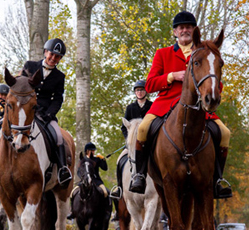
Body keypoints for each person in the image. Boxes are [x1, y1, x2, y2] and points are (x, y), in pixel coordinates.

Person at [129, 11, 232, 199]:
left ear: (194, 31)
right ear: (175, 32)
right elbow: (150, 84)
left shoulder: (204, 52)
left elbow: (216, 81)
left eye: (188, 27)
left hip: (197, 107)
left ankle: (218, 179)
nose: (184, 30)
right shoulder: (162, 54)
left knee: (224, 133)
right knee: (142, 129)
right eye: (180, 27)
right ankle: (139, 175)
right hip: (166, 103)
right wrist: (172, 76)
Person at [21, 38, 72, 186]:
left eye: (57, 57)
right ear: (45, 52)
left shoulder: (59, 77)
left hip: (45, 114)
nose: (53, 58)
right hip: (25, 110)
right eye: (51, 54)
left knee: (58, 136)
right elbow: (22, 86)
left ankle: (62, 169)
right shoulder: (30, 66)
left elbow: (57, 99)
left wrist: (49, 114)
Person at [109, 80, 152, 220]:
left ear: (146, 92)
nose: (139, 92)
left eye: (142, 90)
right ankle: (120, 188)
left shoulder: (152, 106)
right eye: (137, 90)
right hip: (133, 144)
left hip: (149, 143)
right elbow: (124, 126)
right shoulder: (130, 108)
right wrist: (130, 139)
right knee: (120, 160)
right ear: (135, 92)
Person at [67, 142, 108, 220]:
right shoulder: (82, 159)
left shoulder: (96, 159)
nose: (93, 152)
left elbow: (105, 168)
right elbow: (79, 172)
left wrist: (103, 159)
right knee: (72, 193)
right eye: (91, 150)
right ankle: (72, 212)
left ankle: (105, 211)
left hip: (96, 181)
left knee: (105, 193)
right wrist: (83, 178)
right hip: (84, 181)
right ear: (87, 151)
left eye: (93, 150)